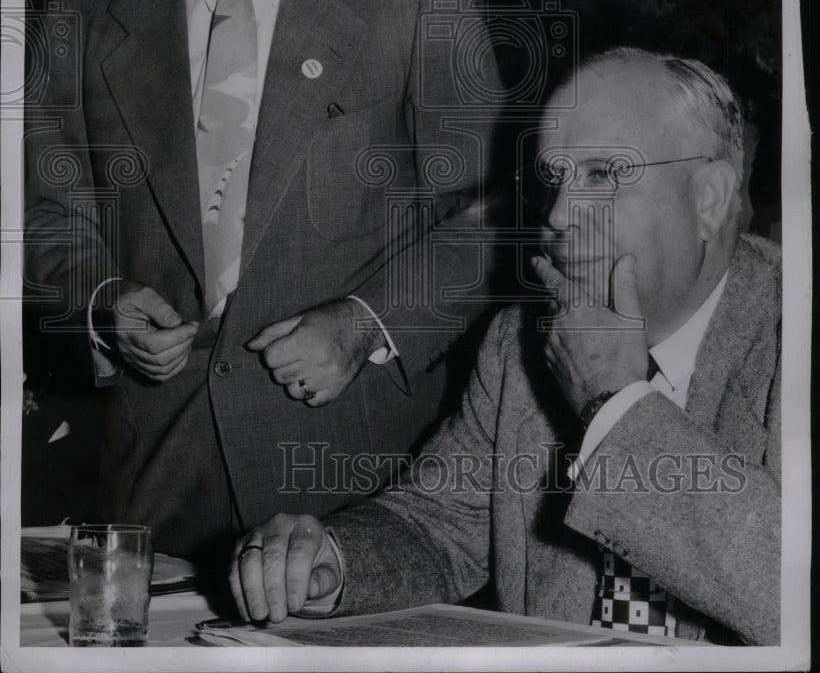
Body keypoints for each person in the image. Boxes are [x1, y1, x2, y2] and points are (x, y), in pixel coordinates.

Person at [25, 0, 500, 559]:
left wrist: (364, 324)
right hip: (161, 490)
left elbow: (490, 214)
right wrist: (102, 306)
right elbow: (52, 221)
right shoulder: (81, 23)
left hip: (361, 491)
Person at [231, 48, 781, 646]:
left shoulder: (793, 332)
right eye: (554, 180)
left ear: (709, 198)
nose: (561, 214)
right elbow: (440, 522)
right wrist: (333, 561)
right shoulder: (523, 337)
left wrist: (614, 404)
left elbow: (788, 583)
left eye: (603, 174)